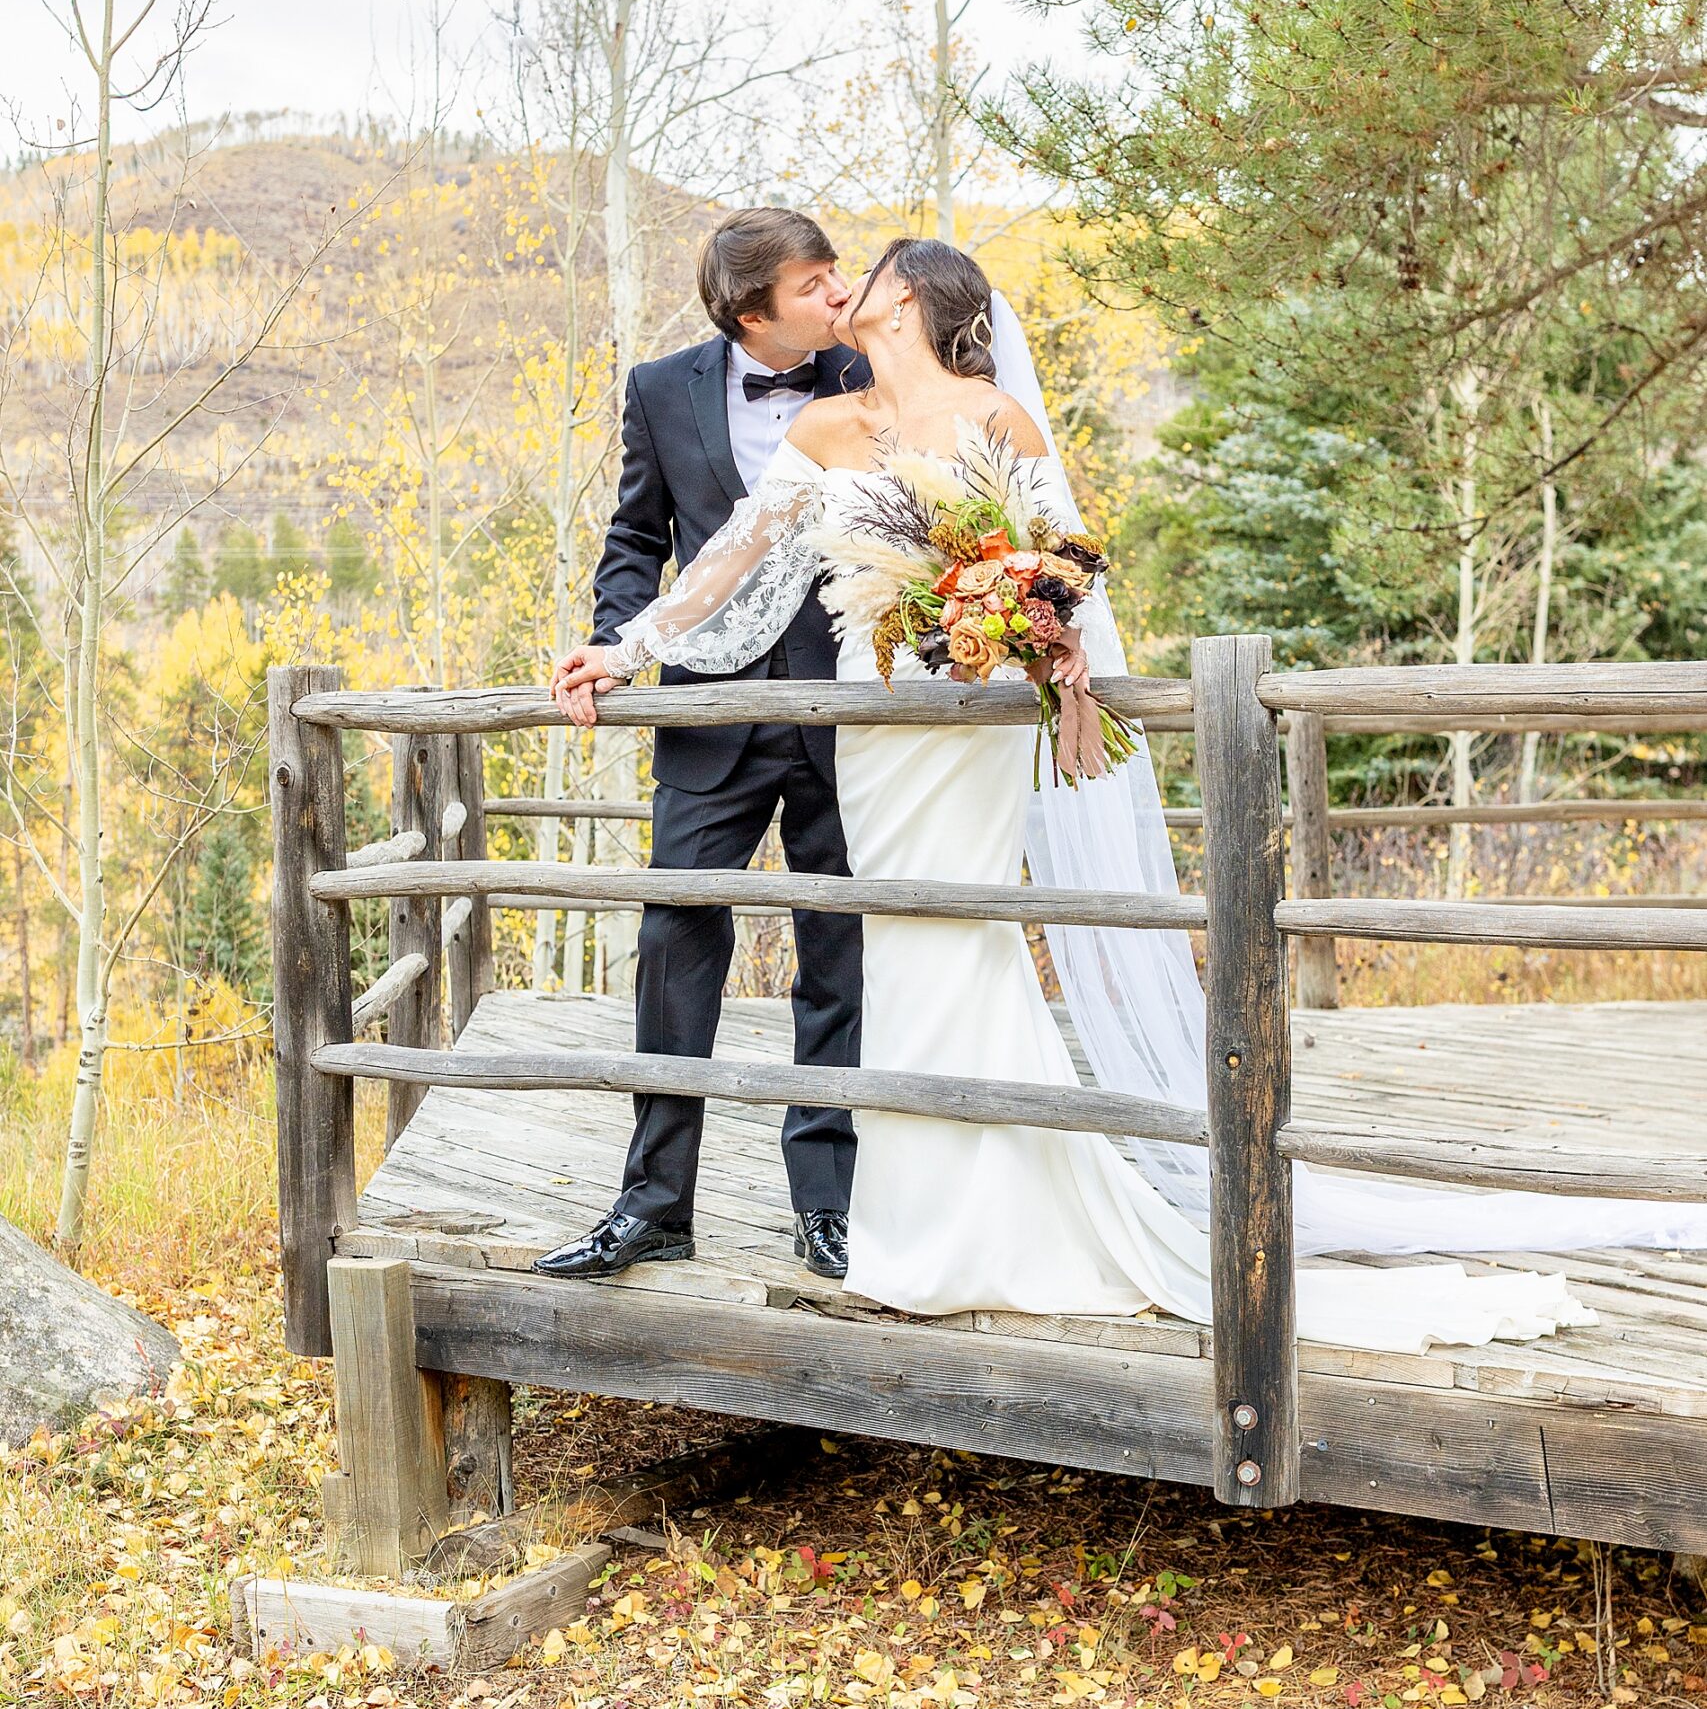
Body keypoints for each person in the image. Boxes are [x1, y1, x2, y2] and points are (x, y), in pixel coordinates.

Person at [541, 235, 1598, 1354]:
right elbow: (733, 564)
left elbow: (1066, 562)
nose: (851, 284)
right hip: (873, 728)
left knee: (962, 934)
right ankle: (912, 1228)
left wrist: (1017, 617)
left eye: (871, 274)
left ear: (904, 303)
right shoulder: (823, 429)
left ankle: (988, 1219)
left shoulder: (1000, 420)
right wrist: (626, 648)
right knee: (893, 952)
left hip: (967, 733)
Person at [534, 210, 868, 1285]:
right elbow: (637, 535)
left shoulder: (873, 374)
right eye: (818, 279)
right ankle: (654, 1202)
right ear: (749, 309)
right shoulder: (660, 386)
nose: (842, 291)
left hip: (846, 709)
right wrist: (614, 641)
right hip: (705, 712)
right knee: (676, 944)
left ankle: (831, 1202)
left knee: (840, 956)